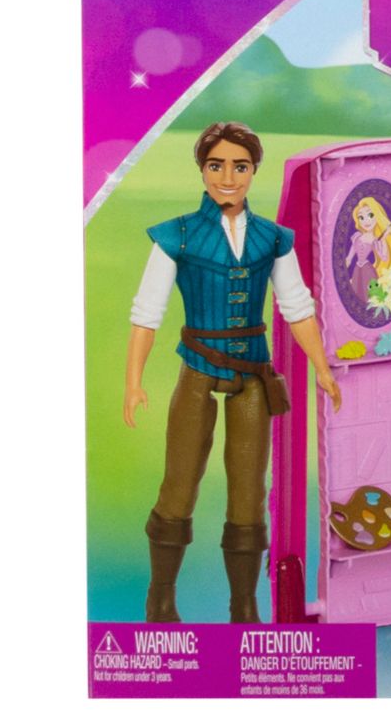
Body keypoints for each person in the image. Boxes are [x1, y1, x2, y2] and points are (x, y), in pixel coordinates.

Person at [124, 123, 341, 622]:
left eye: (240, 166)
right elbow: (147, 313)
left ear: (253, 171)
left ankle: (243, 604)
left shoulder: (271, 238)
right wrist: (133, 382)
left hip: (252, 373)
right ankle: (161, 596)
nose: (228, 177)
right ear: (202, 169)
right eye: (216, 165)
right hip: (198, 368)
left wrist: (322, 367)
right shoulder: (177, 235)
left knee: (249, 490)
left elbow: (296, 306)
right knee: (179, 482)